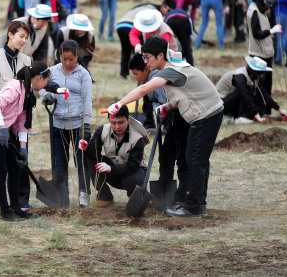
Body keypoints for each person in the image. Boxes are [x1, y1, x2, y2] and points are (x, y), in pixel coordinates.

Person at [107, 36, 223, 218]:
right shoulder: (170, 67)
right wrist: (166, 106)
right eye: (144, 57)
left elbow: (143, 89)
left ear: (160, 55)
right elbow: (184, 94)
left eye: (147, 57)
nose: (145, 62)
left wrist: (119, 103)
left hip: (207, 114)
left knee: (194, 160)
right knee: (196, 159)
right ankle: (198, 202)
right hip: (208, 112)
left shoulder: (168, 72)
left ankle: (194, 206)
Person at [0, 61, 51, 221]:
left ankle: (16, 208)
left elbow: (21, 122)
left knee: (15, 168)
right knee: (1, 170)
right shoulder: (14, 88)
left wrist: (23, 148)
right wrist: (2, 128)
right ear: (40, 78)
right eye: (47, 80)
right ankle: (4, 211)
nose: (46, 84)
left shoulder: (28, 93)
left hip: (6, 131)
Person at [0, 21, 33, 212]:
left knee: (19, 157)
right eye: (21, 36)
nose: (24, 41)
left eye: (26, 38)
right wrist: (5, 99)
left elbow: (34, 84)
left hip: (18, 119)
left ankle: (21, 199)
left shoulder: (27, 61)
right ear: (10, 34)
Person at [128, 53, 190, 205]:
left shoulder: (157, 79)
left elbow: (169, 99)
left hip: (182, 119)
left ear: (146, 69)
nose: (136, 77)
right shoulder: (149, 81)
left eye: (136, 73)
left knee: (182, 156)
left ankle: (184, 192)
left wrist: (163, 110)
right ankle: (165, 187)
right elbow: (155, 101)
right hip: (172, 122)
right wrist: (158, 109)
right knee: (166, 155)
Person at [40, 40, 93, 208]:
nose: (68, 63)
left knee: (81, 160)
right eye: (64, 59)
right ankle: (62, 195)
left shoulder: (83, 74)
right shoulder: (53, 71)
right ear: (59, 56)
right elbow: (40, 84)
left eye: (72, 59)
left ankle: (84, 193)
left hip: (77, 123)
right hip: (57, 123)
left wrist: (86, 124)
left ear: (77, 57)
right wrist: (45, 96)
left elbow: (87, 99)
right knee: (59, 161)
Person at [80, 104, 147, 208]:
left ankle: (135, 197)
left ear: (128, 119)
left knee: (133, 180)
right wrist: (87, 148)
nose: (117, 126)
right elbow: (94, 154)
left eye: (121, 122)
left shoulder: (138, 138)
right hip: (113, 172)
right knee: (92, 161)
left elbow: (133, 166)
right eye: (113, 123)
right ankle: (105, 196)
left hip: (133, 173)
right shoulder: (102, 130)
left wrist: (110, 168)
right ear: (109, 120)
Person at [216, 56, 287, 123]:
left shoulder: (253, 78)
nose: (262, 76)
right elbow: (244, 95)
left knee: (254, 96)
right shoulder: (240, 77)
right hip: (221, 105)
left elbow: (264, 94)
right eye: (260, 73)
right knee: (245, 92)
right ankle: (241, 117)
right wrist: (256, 114)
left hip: (231, 101)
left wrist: (279, 109)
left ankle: (245, 115)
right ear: (254, 71)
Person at [246, 0, 282, 113]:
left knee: (266, 84)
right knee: (261, 85)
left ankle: (266, 110)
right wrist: (271, 31)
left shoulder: (257, 8)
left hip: (264, 51)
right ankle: (262, 110)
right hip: (259, 53)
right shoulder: (254, 10)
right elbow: (256, 33)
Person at [161, 0, 194, 66]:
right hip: (183, 21)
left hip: (170, 22)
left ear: (165, 7)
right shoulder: (182, 11)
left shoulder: (167, 16)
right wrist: (189, 38)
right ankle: (191, 66)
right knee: (186, 46)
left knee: (167, 46)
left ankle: (167, 64)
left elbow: (164, 29)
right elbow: (190, 24)